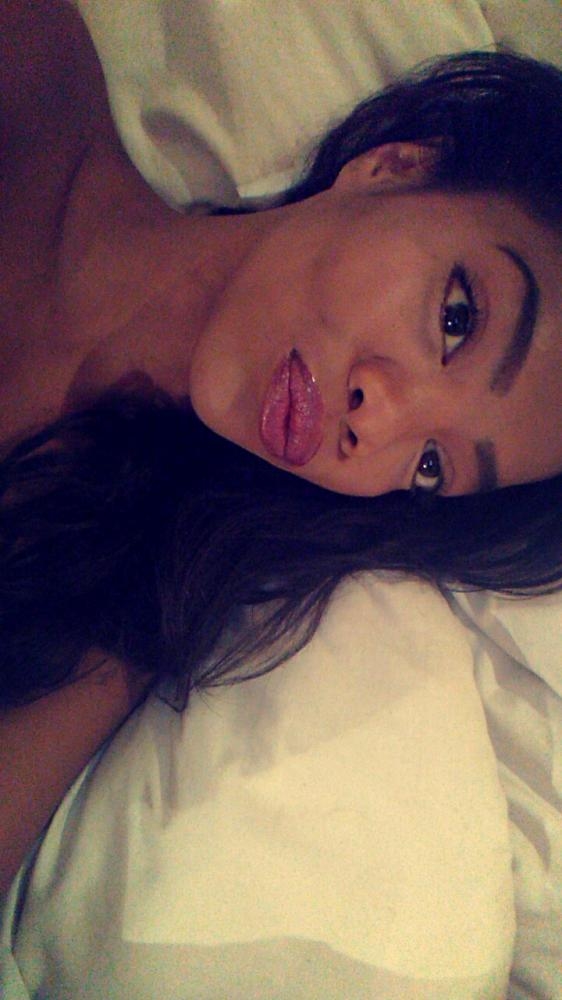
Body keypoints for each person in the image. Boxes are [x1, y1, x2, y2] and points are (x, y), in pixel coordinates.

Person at [0, 0, 561, 891]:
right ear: (392, 167)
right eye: (457, 319)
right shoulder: (29, 68)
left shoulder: (124, 588)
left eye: (431, 467)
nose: (377, 423)